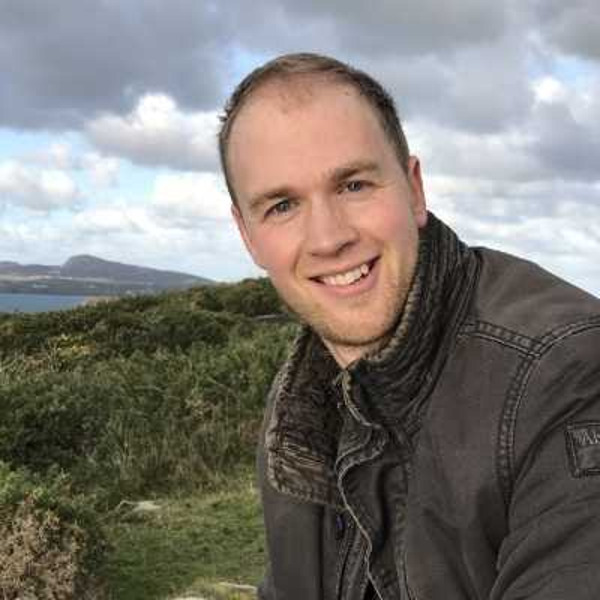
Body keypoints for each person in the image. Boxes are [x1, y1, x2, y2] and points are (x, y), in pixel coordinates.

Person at [218, 52, 600, 599]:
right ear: (247, 236)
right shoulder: (301, 402)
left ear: (414, 188)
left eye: (353, 185)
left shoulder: (567, 374)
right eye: (282, 206)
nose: (328, 238)